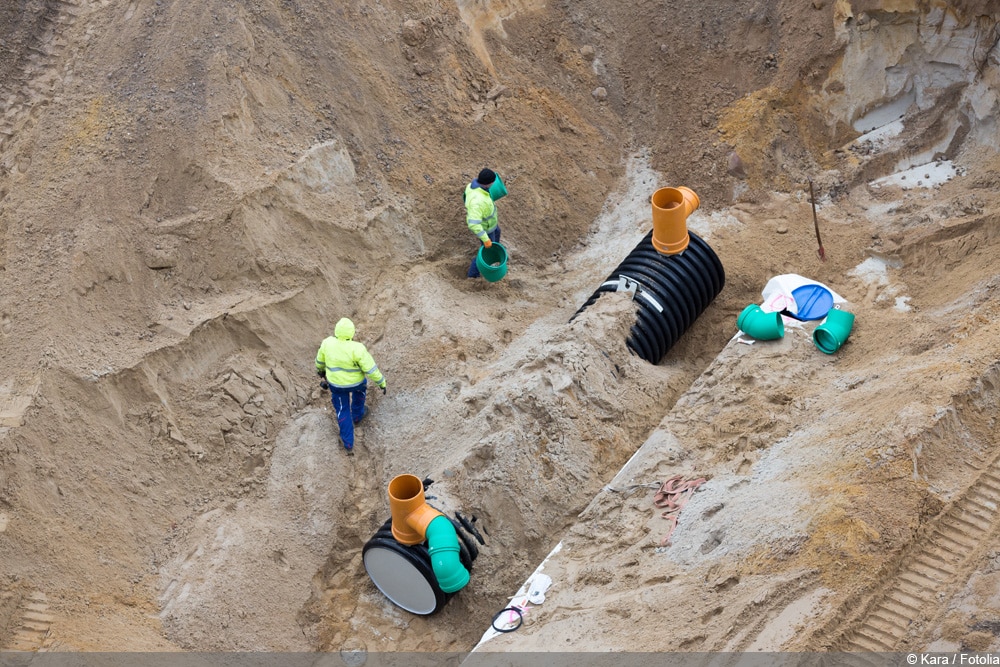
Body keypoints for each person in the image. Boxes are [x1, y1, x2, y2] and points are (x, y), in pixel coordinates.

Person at [315, 317, 386, 454]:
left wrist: (320, 371)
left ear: (336, 331)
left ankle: (348, 443)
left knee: (342, 409)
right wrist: (381, 383)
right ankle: (358, 415)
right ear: (352, 333)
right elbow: (371, 370)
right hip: (356, 383)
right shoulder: (357, 348)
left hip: (336, 385)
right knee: (360, 391)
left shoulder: (327, 344)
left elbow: (319, 362)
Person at [464, 167, 501, 279]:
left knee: (498, 232)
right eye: (493, 182)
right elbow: (473, 224)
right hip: (486, 229)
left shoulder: (474, 186)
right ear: (488, 184)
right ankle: (473, 275)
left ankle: (496, 252)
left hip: (492, 225)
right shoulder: (478, 202)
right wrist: (486, 240)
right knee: (486, 253)